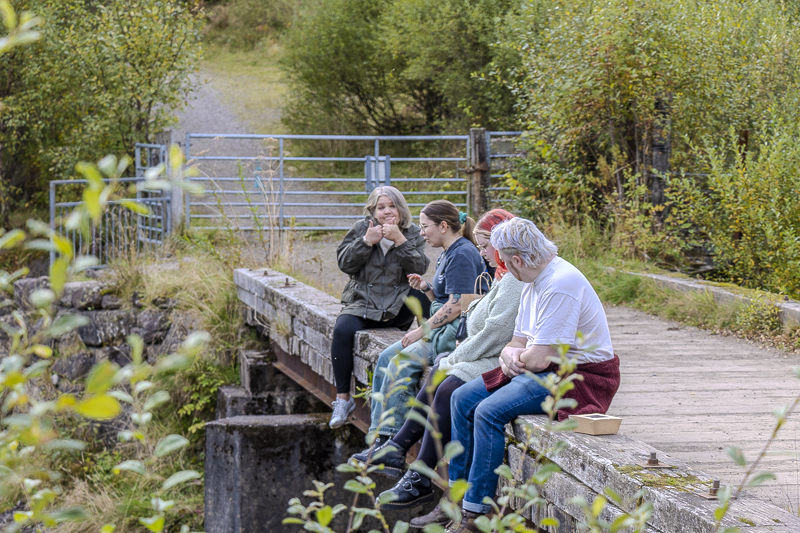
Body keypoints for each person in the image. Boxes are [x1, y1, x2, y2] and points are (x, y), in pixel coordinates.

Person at [446, 218, 620, 533]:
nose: (502, 268)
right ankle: (456, 494)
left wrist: (516, 357)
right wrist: (508, 355)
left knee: (488, 411)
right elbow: (518, 342)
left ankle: (476, 514)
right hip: (543, 367)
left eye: (502, 261)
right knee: (461, 398)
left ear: (517, 260)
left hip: (578, 377)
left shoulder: (560, 283)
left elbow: (540, 359)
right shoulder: (533, 280)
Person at [361, 210, 523, 523]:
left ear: (504, 244)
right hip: (493, 351)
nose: (482, 252)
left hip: (505, 357)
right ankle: (406, 458)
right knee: (439, 375)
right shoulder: (503, 277)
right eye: (480, 245)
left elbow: (490, 332)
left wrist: (454, 357)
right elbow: (478, 319)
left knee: (448, 385)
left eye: (486, 245)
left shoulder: (512, 281)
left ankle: (422, 475)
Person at [350, 200, 489, 465]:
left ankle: (392, 443)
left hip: (451, 334)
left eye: (425, 227)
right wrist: (426, 287)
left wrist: (421, 331)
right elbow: (446, 296)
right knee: (384, 359)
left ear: (444, 226)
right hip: (441, 328)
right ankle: (379, 438)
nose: (421, 233)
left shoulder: (462, 253)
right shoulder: (449, 251)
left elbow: (461, 304)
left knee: (400, 364)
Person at [329, 186, 430, 428]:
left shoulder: (413, 233)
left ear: (400, 208)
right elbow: (344, 263)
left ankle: (432, 342)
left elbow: (420, 266)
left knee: (423, 292)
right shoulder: (361, 228)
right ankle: (343, 399)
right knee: (342, 330)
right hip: (364, 303)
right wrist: (366, 242)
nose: (386, 211)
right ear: (373, 210)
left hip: (396, 307)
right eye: (381, 207)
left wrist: (400, 241)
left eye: (391, 206)